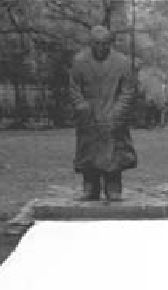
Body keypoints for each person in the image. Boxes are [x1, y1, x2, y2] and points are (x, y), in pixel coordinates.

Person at [69, 25, 137, 202]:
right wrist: (81, 106)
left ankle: (113, 186)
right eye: (97, 43)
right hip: (89, 116)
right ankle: (90, 186)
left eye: (105, 43)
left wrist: (118, 112)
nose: (101, 47)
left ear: (110, 43)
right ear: (91, 43)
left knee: (113, 153)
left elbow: (128, 91)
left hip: (112, 113)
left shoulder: (122, 62)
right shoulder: (79, 61)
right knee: (88, 152)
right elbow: (74, 87)